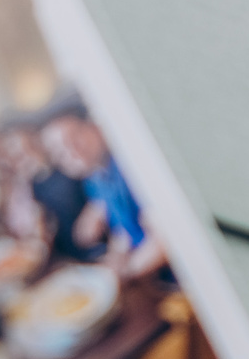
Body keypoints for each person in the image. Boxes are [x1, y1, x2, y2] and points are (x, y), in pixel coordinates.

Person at [36, 113, 164, 277]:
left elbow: (165, 238)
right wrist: (115, 257)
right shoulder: (95, 179)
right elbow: (121, 228)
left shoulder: (129, 163)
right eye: (61, 152)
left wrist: (125, 271)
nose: (73, 151)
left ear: (95, 127)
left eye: (75, 137)